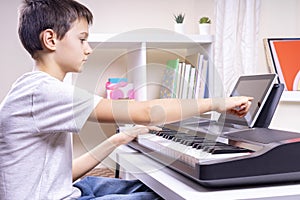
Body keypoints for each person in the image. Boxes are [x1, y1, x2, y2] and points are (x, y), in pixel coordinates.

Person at [0, 0, 253, 199]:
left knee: (154, 190)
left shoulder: (35, 88)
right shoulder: (45, 91)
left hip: (67, 191)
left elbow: (63, 177)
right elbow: (145, 111)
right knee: (167, 195)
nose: (88, 49)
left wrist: (118, 138)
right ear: (51, 39)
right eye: (82, 39)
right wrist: (217, 103)